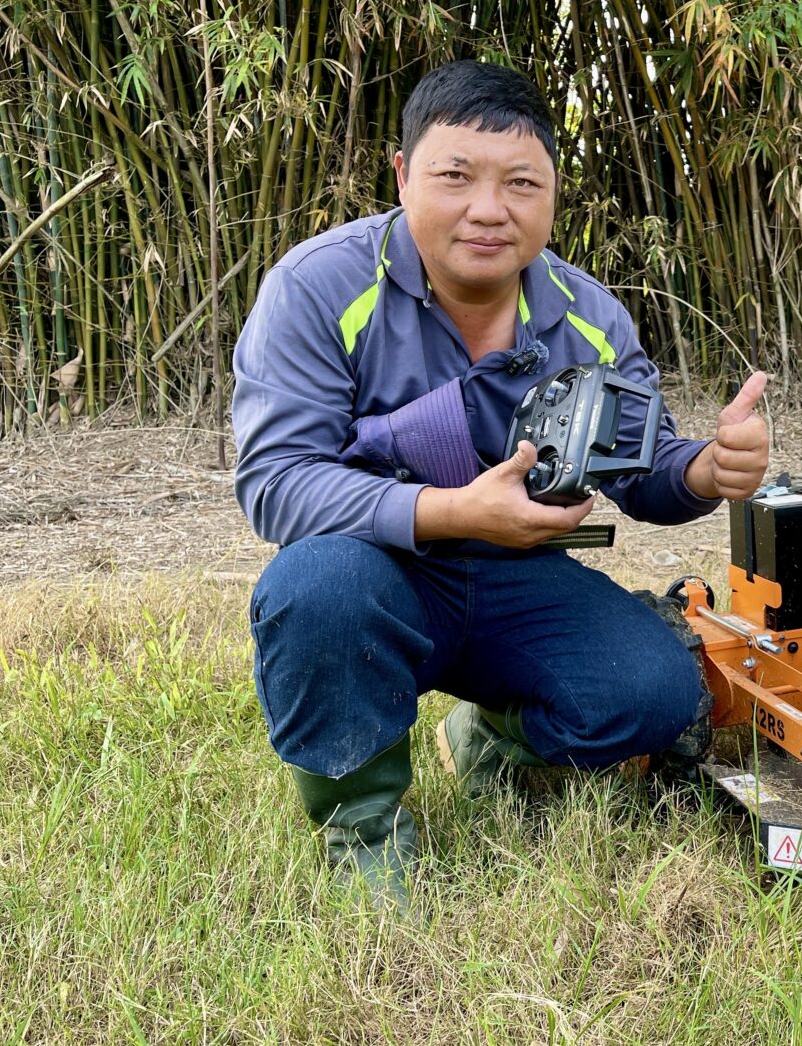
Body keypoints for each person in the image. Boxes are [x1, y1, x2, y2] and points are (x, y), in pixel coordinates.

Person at [231, 60, 769, 908]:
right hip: (376, 571)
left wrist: (706, 468)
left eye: (522, 182)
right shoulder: (315, 287)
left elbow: (647, 468)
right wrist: (452, 509)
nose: (490, 209)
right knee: (314, 592)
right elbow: (276, 483)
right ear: (403, 174)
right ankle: (363, 834)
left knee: (658, 690)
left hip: (519, 579)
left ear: (553, 194)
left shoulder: (590, 315)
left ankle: (489, 735)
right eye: (456, 176)